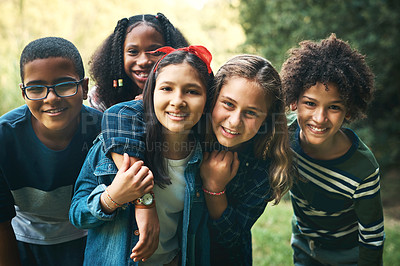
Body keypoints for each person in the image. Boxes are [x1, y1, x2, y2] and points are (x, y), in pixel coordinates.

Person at [69, 45, 214, 265]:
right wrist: (112, 198)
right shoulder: (113, 147)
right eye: (166, 88)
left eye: (192, 91)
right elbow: (77, 214)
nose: (177, 101)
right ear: (150, 94)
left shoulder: (204, 157)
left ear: (206, 101)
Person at [280, 33, 385, 265]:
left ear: (348, 111)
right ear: (293, 101)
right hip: (304, 246)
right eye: (310, 103)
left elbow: (372, 236)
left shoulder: (363, 169)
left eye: (334, 107)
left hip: (349, 256)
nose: (319, 118)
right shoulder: (283, 134)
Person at [0, 37, 102, 265]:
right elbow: (2, 223)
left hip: (93, 236)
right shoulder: (4, 138)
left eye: (64, 85)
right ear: (23, 92)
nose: (51, 98)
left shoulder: (104, 130)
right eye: (36, 89)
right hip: (25, 243)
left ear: (84, 88)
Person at [199, 55, 293, 265]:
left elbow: (231, 238)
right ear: (213, 98)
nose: (235, 121)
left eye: (251, 113)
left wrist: (214, 187)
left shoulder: (264, 169)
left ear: (267, 120)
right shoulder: (189, 135)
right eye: (228, 104)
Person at [88, 12, 189, 111]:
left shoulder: (190, 93)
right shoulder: (101, 96)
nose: (143, 61)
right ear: (117, 56)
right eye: (133, 52)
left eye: (155, 52)